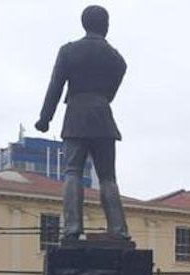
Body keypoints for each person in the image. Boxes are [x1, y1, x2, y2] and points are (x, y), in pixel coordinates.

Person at [36, 5, 129, 240]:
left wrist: (45, 118)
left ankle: (73, 227)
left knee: (72, 172)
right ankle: (118, 229)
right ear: (106, 26)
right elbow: (111, 91)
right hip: (103, 118)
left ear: (84, 24)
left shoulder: (69, 51)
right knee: (108, 176)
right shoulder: (116, 59)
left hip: (76, 117)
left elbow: (55, 86)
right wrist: (99, 99)